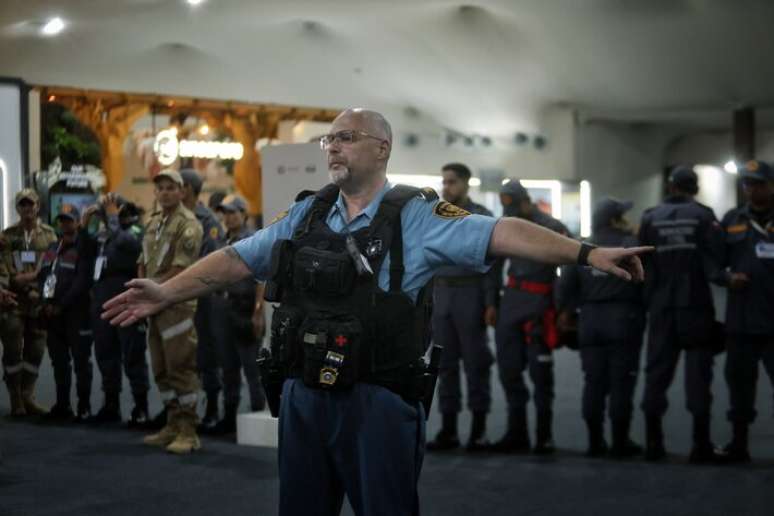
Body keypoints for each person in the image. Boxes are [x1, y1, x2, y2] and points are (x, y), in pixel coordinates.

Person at [102, 109, 648, 516]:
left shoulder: (420, 212)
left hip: (378, 401)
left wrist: (586, 252)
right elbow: (237, 259)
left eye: (346, 138)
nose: (332, 148)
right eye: (328, 139)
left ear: (381, 148)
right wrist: (168, 291)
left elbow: (502, 232)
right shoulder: (308, 212)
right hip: (302, 396)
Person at [638, 166, 725, 463]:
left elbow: (643, 264)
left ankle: (653, 443)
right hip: (696, 307)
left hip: (661, 308)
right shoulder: (703, 215)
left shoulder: (650, 216)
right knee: (698, 377)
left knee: (656, 375)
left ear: (670, 186)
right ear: (695, 188)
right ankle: (701, 447)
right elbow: (717, 259)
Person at [557, 198, 645, 458]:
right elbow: (646, 284)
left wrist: (567, 312)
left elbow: (565, 287)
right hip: (623, 318)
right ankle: (620, 443)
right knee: (621, 382)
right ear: (615, 219)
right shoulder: (630, 246)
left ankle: (595, 443)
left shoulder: (582, 247)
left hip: (590, 320)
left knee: (593, 382)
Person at [490, 180, 570, 454]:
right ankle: (517, 433)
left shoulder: (552, 226)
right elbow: (492, 265)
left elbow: (569, 269)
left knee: (541, 376)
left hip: (540, 304)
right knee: (509, 371)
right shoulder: (506, 224)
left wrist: (560, 307)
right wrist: (492, 303)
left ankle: (543, 436)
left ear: (526, 201)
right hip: (510, 303)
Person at [426, 163, 497, 452]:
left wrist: (491, 302)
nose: (446, 187)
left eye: (452, 182)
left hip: (471, 294)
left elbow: (492, 264)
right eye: (444, 182)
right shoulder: (436, 215)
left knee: (476, 364)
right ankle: (449, 430)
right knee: (443, 365)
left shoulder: (482, 216)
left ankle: (478, 431)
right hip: (441, 295)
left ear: (467, 183)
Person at [139, 169, 203, 454]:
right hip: (153, 304)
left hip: (177, 306)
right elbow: (143, 261)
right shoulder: (153, 223)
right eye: (160, 188)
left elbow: (180, 270)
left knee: (180, 367)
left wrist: (149, 288)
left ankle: (189, 431)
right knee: (160, 368)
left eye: (170, 188)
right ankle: (173, 423)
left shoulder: (188, 225)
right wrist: (142, 290)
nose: (164, 192)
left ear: (182, 191)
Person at [716, 160, 774, 462]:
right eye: (747, 184)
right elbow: (713, 262)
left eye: (758, 184)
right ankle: (739, 445)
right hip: (742, 321)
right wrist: (726, 278)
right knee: (739, 386)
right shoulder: (732, 220)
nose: (751, 189)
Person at [84, 194, 151, 425]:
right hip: (102, 297)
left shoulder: (134, 230)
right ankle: (111, 404)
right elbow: (85, 249)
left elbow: (129, 245)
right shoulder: (104, 233)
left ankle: (141, 407)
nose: (107, 212)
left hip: (126, 297)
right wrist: (88, 220)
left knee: (133, 354)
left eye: (111, 208)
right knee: (105, 353)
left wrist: (112, 218)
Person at [203, 194, 266, 436]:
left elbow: (262, 275)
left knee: (252, 368)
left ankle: (259, 418)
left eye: (233, 212)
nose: (228, 217)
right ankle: (229, 418)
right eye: (225, 213)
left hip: (244, 307)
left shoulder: (253, 239)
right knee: (227, 366)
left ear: (244, 214)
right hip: (221, 307)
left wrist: (258, 311)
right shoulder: (220, 239)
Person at [0, 189, 58, 417]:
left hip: (38, 303)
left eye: (30, 204)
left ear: (38, 207)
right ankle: (15, 398)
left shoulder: (50, 236)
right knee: (13, 352)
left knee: (36, 350)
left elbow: (52, 271)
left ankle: (28, 395)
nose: (27, 209)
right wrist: (21, 283)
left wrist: (47, 297)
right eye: (22, 205)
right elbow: (4, 270)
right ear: (17, 208)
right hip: (13, 303)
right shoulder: (7, 236)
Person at [39, 204, 95, 422]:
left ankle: (84, 406)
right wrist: (46, 303)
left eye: (69, 220)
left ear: (77, 222)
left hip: (77, 313)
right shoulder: (53, 247)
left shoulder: (85, 247)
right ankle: (63, 405)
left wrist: (61, 304)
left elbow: (82, 281)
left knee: (81, 361)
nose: (64, 224)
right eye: (62, 220)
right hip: (53, 315)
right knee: (59, 362)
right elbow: (44, 275)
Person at [180, 168, 226, 431]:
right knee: (180, 355)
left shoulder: (207, 221)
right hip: (177, 297)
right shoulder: (172, 218)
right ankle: (179, 410)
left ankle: (211, 408)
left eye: (179, 185)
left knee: (206, 354)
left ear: (188, 188)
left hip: (201, 299)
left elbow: (210, 262)